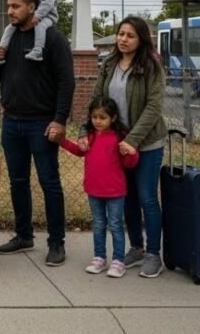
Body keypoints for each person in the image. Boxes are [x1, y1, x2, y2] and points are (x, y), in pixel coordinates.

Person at [0, 0, 75, 266]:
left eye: (15, 6)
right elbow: (6, 78)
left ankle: (56, 243)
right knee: (18, 182)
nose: (10, 11)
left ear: (32, 7)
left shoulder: (52, 38)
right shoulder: (10, 38)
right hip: (11, 122)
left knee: (50, 183)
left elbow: (66, 82)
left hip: (42, 123)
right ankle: (24, 236)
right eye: (8, 6)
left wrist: (59, 120)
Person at [79, 16, 167, 278]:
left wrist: (132, 140)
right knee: (126, 197)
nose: (123, 39)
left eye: (130, 35)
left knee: (146, 198)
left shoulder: (151, 67)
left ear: (141, 39)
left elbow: (154, 107)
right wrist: (85, 130)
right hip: (119, 144)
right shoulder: (108, 64)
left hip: (147, 143)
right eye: (121, 34)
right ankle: (136, 248)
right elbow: (97, 100)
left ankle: (154, 254)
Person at [57, 97, 139, 278]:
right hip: (94, 189)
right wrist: (62, 141)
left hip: (115, 191)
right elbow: (79, 151)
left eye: (102, 117)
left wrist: (132, 153)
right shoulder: (90, 137)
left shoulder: (120, 137)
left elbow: (129, 163)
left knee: (116, 225)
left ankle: (118, 260)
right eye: (94, 117)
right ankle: (99, 257)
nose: (98, 121)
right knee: (99, 224)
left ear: (113, 118)